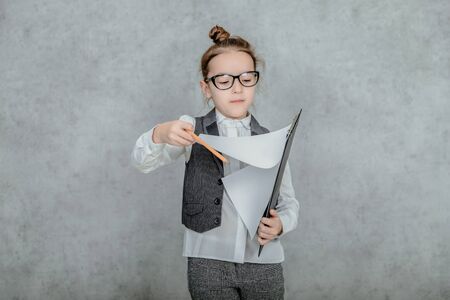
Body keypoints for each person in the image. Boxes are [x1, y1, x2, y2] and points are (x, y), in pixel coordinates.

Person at [131, 25, 299, 300]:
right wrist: (160, 133)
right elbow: (141, 162)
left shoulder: (272, 140)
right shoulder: (190, 129)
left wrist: (282, 224)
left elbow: (289, 203)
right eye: (223, 80)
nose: (236, 88)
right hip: (207, 261)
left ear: (255, 81)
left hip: (263, 262)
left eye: (246, 77)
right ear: (206, 88)